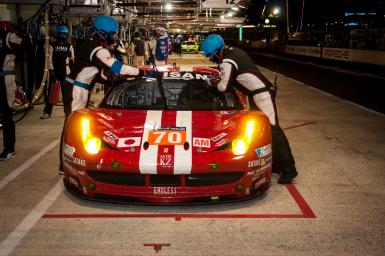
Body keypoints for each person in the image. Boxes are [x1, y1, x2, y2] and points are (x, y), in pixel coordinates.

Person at [200, 34, 298, 184]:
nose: (210, 58)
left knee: (274, 130)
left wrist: (214, 83)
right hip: (259, 93)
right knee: (267, 130)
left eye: (210, 55)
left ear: (217, 51)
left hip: (261, 95)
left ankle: (290, 169)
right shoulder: (235, 51)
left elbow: (224, 87)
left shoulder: (227, 61)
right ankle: (278, 165)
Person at [59, 15, 144, 174]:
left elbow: (98, 73)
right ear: (103, 33)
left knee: (75, 124)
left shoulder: (89, 45)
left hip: (80, 88)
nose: (114, 37)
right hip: (75, 89)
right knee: (71, 125)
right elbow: (118, 67)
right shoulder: (98, 49)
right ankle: (65, 166)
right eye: (112, 34)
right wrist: (141, 71)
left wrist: (110, 78)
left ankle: (69, 163)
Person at [40, 25, 74, 119]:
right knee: (57, 94)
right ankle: (65, 113)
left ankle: (63, 113)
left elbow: (49, 60)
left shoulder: (53, 45)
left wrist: (52, 72)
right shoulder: (68, 46)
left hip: (59, 73)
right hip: (62, 73)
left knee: (62, 95)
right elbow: (72, 61)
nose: (63, 36)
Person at [0, 23, 23, 160]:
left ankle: (9, 148)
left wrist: (14, 55)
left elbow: (24, 46)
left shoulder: (8, 36)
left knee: (6, 113)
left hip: (6, 78)